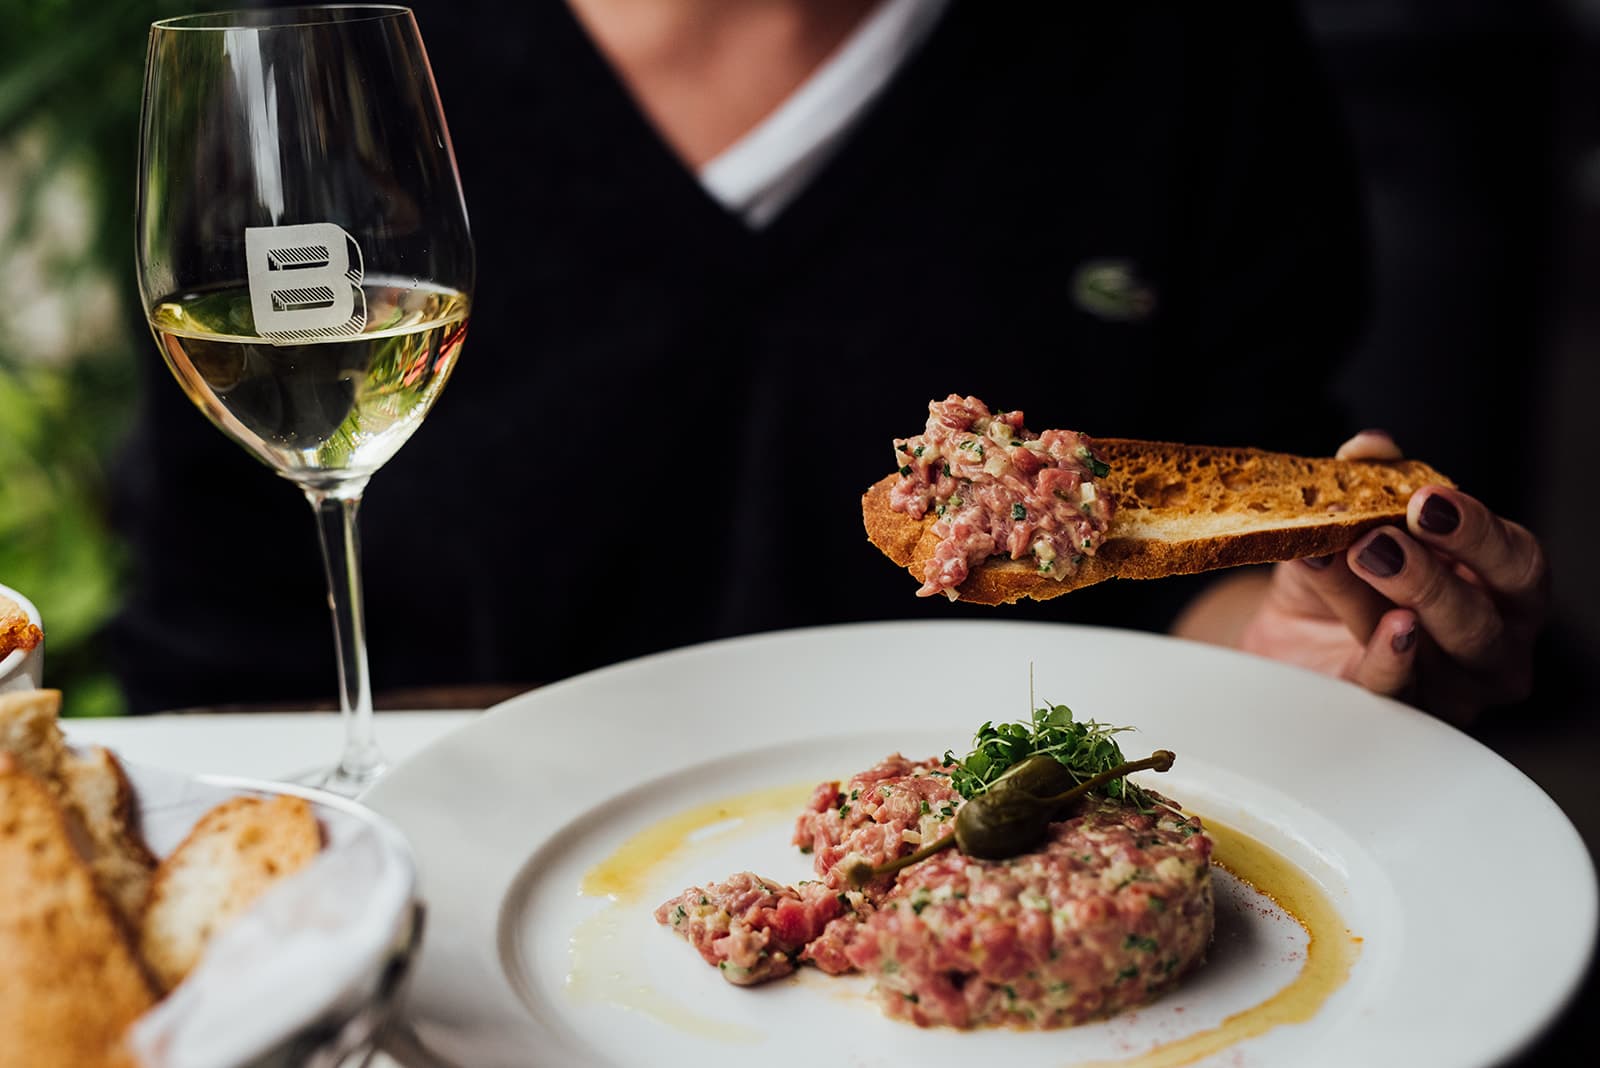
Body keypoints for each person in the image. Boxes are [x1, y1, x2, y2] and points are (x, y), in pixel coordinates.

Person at [106, 0, 1547, 726]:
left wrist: (1304, 652)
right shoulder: (316, 69)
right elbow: (224, 661)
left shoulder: (1185, 54)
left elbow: (1209, 555)